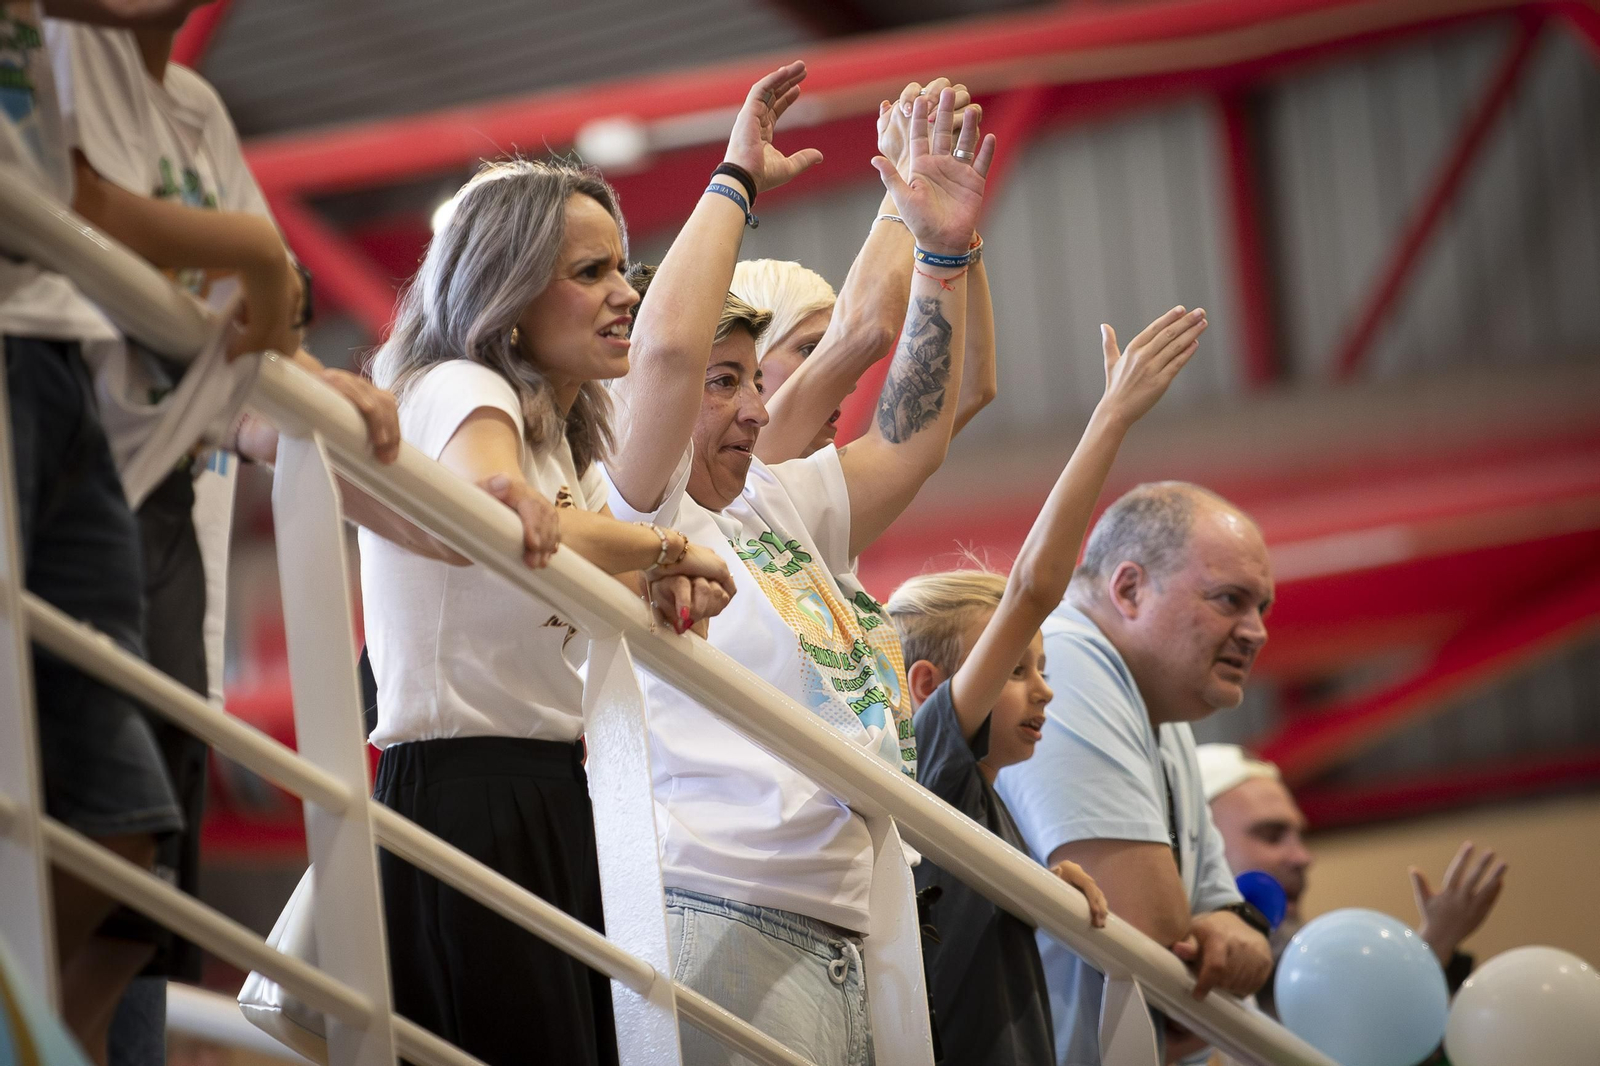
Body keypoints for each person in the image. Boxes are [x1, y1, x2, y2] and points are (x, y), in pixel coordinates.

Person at [603, 70, 995, 1064]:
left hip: (847, 923)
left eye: (749, 378)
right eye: (723, 381)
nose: (753, 407)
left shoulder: (774, 501)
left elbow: (917, 438)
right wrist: (735, 178)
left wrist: (944, 250)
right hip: (721, 911)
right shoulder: (634, 507)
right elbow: (660, 356)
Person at [43, 15, 406, 1062]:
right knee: (107, 840)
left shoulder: (196, 111)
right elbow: (88, 213)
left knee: (145, 897)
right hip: (86, 494)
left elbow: (278, 312)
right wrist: (248, 257)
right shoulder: (58, 61)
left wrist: (295, 365)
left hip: (169, 537)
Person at [358, 156, 737, 1066]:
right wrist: (666, 551)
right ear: (509, 291)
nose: (625, 295)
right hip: (470, 792)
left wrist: (651, 581)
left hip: (535, 792)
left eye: (625, 270)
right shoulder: (462, 385)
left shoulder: (555, 447)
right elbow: (504, 512)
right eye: (590, 272)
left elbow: (562, 541)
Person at [885, 304, 1207, 1065]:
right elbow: (1033, 586)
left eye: (1043, 670)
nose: (1045, 693)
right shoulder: (930, 762)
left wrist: (1032, 881)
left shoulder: (986, 814)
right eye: (1017, 670)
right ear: (929, 686)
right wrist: (1111, 419)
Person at [994, 480, 1277, 1066]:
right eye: (1230, 599)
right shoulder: (1064, 661)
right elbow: (1154, 956)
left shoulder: (1166, 713)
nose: (1257, 631)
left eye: (1262, 607)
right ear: (1128, 588)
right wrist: (1210, 945)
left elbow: (1232, 929)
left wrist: (1230, 933)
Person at [733, 79, 996, 463]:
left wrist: (950, 224)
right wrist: (908, 170)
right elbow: (863, 331)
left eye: (826, 344)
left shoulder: (808, 492)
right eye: (809, 349)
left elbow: (970, 387)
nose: (850, 378)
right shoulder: (713, 489)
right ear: (743, 361)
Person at [1196, 743, 1506, 1012]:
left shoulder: (1308, 986)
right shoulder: (1157, 975)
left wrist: (1436, 945)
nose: (1303, 857)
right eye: (1272, 836)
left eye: (1299, 836)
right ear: (1197, 844)